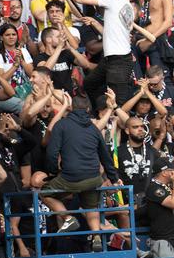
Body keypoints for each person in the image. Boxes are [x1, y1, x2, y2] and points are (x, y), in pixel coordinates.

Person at [45, 95, 120, 249]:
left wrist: (52, 173)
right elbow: (105, 156)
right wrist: (114, 178)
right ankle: (97, 237)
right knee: (91, 207)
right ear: (88, 110)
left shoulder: (61, 125)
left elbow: (52, 152)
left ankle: (68, 218)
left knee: (44, 193)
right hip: (93, 177)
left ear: (71, 107)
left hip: (70, 177)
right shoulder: (93, 128)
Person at [144, 156, 174, 258]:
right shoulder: (153, 188)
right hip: (164, 241)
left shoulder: (170, 186)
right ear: (164, 172)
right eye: (172, 170)